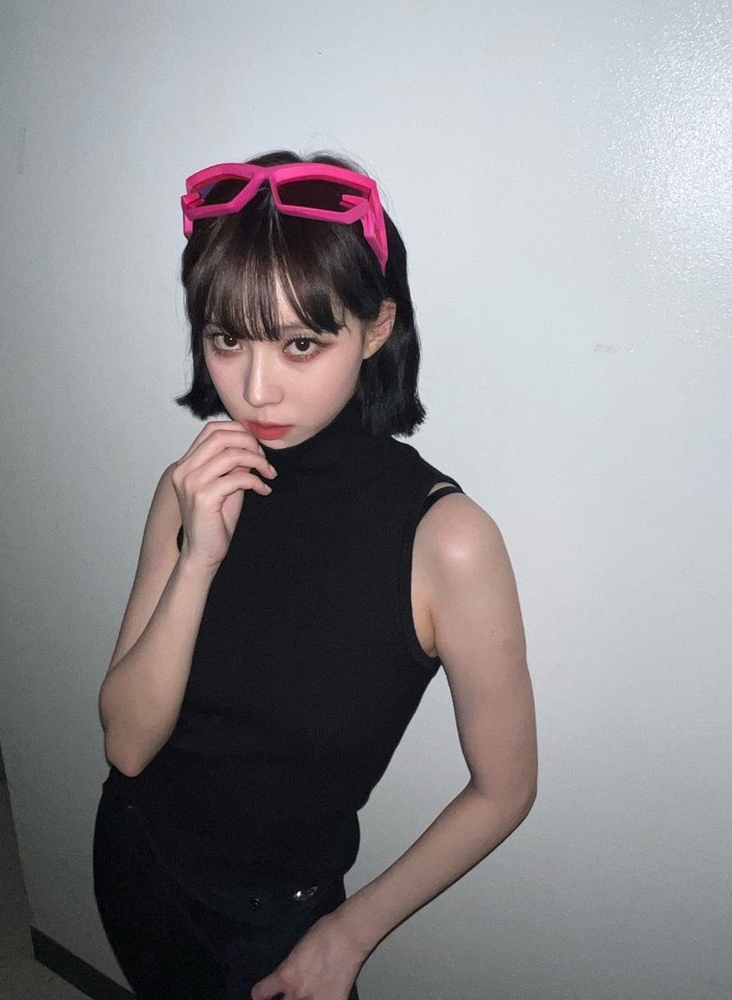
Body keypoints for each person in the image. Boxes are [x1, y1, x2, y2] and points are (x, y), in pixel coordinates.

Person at [93, 149, 538, 1000]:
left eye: (301, 343)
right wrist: (199, 559)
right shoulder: (193, 485)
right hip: (135, 861)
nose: (256, 390)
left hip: (276, 924)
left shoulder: (446, 542)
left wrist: (350, 934)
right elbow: (127, 744)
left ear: (375, 327)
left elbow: (506, 788)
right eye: (227, 339)